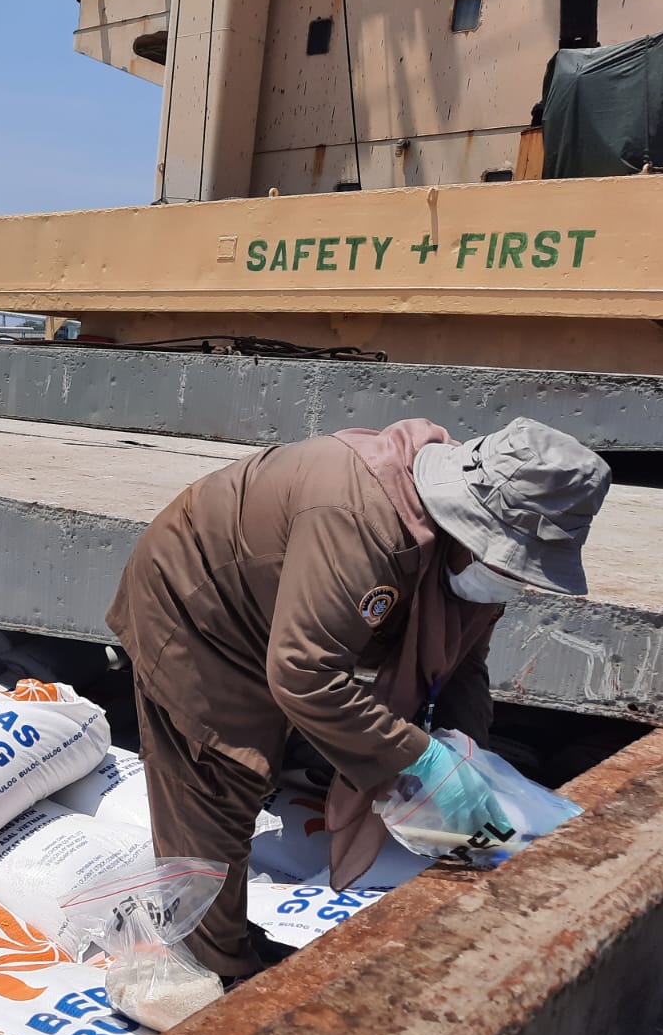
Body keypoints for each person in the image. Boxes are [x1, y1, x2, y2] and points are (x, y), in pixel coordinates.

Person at [106, 417, 611, 984]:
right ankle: (202, 968)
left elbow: (463, 663)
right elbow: (302, 673)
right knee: (223, 779)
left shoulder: (462, 551)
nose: (509, 579)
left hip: (282, 610)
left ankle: (218, 937)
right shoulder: (361, 524)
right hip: (201, 605)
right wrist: (417, 757)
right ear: (469, 521)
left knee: (301, 750)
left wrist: (468, 758)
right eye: (507, 561)